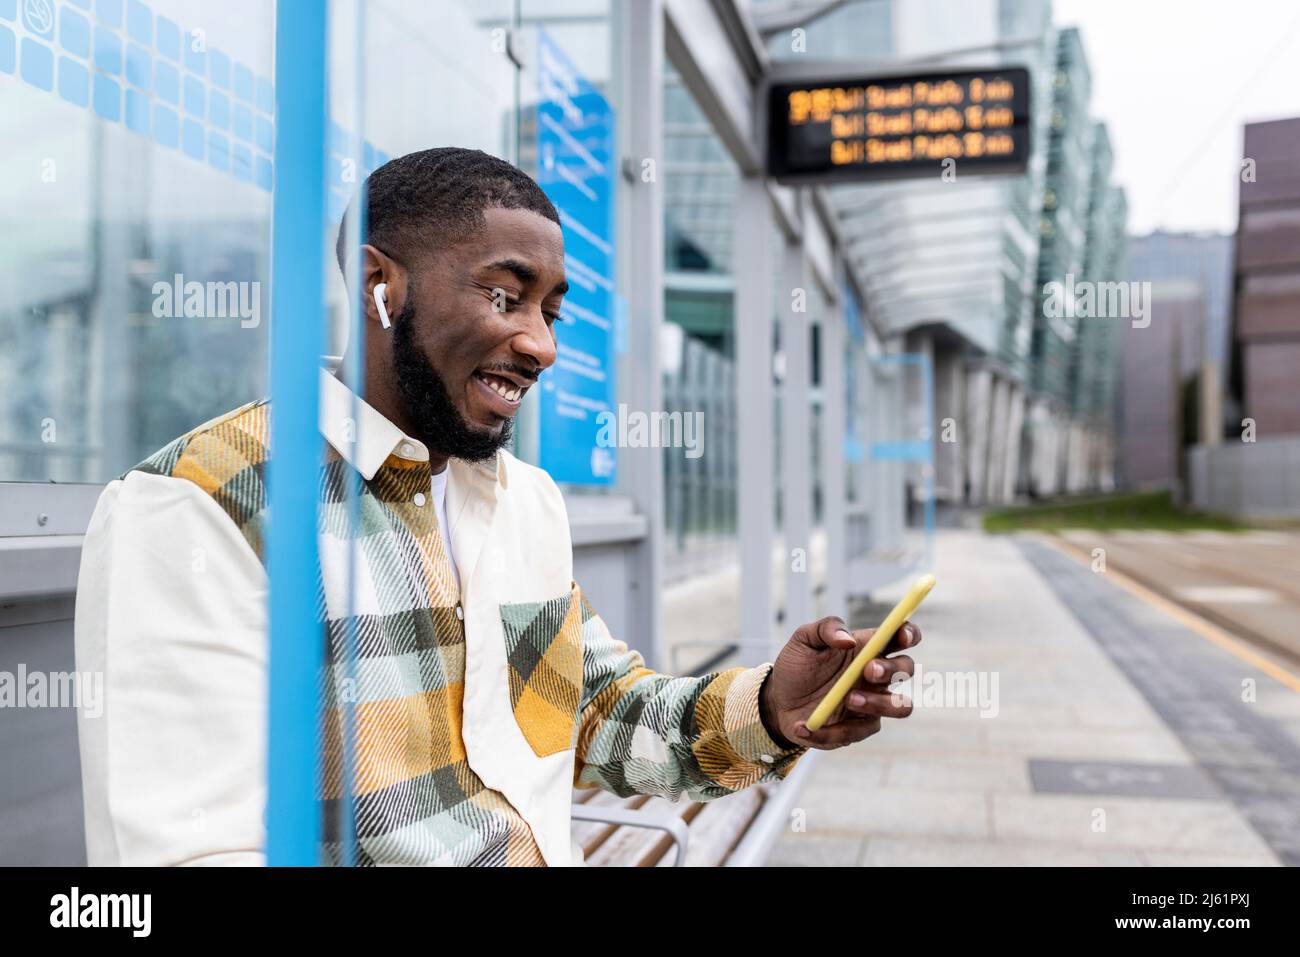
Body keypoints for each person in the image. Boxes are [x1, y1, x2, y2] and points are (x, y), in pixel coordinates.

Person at [73, 147, 921, 866]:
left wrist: (776, 706)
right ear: (380, 287)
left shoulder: (526, 502)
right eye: (504, 296)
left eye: (550, 311)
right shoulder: (200, 506)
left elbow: (594, 709)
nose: (541, 345)